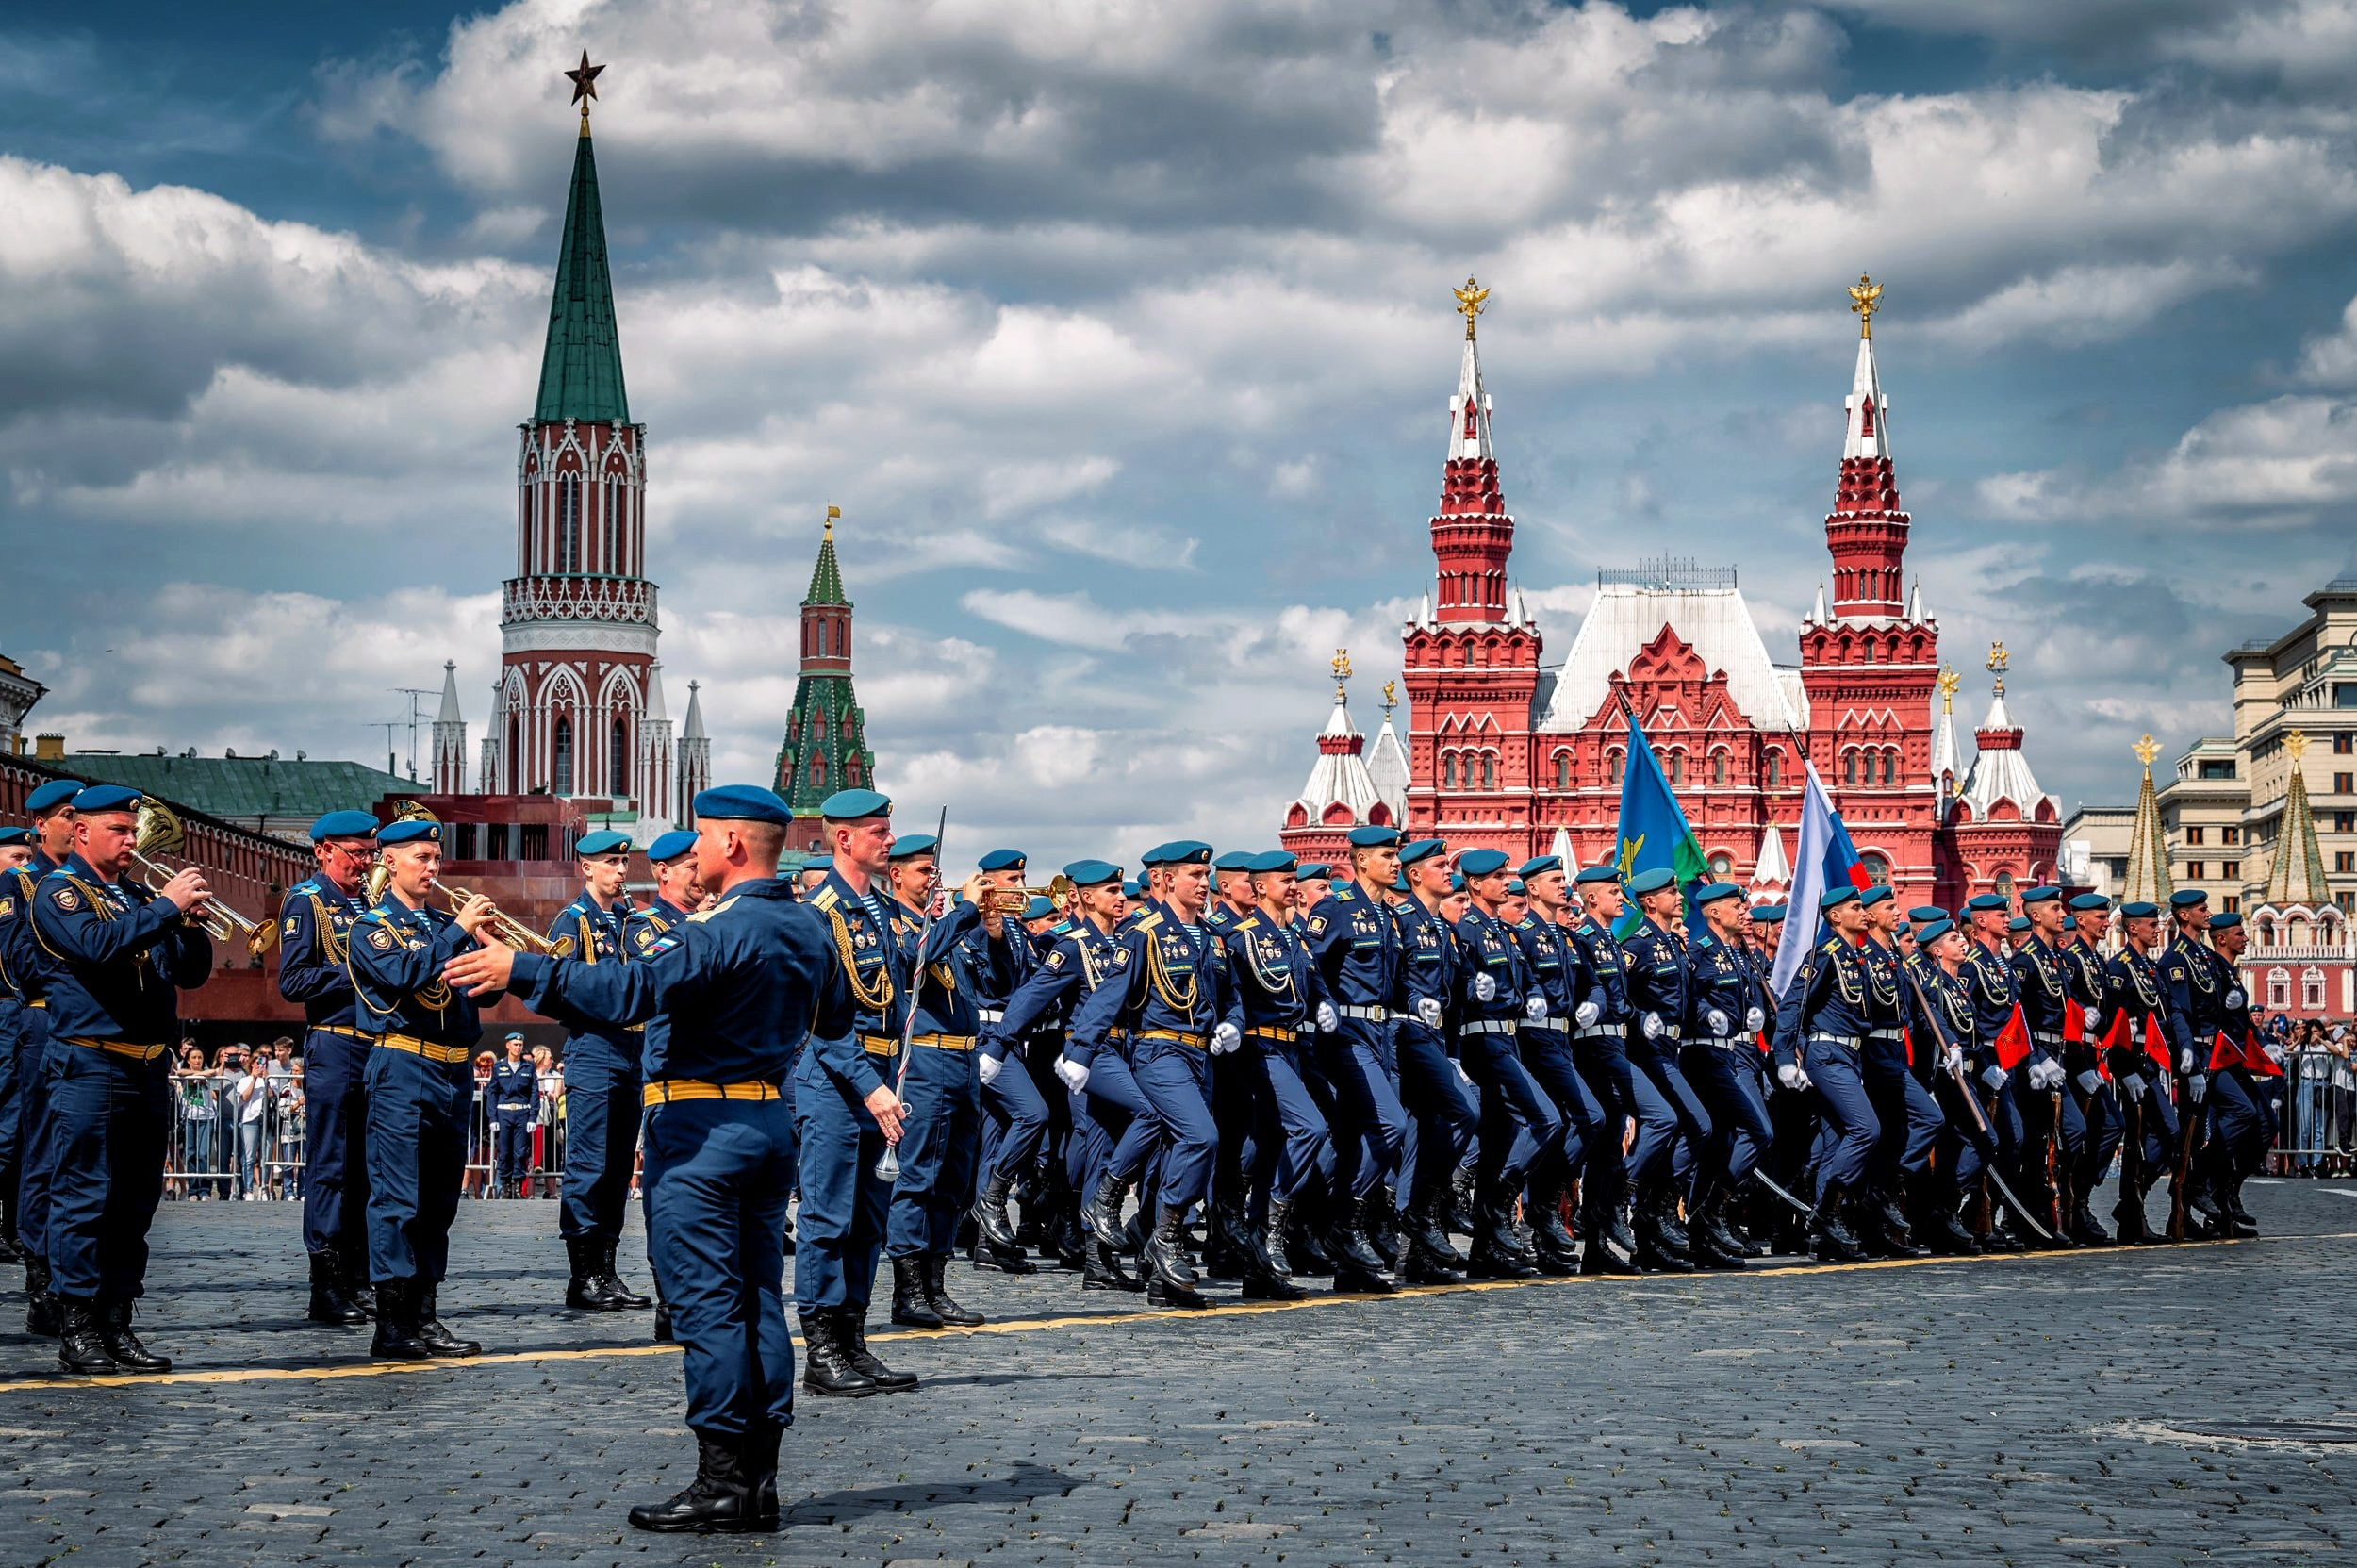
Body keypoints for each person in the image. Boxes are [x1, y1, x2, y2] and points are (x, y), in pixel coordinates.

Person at [448, 784, 852, 1535]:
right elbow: (835, 1016)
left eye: (700, 837)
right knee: (762, 1296)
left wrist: (523, 970)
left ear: (732, 842)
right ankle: (759, 1477)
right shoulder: (811, 927)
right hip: (768, 1118)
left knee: (706, 1304)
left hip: (700, 1128)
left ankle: (723, 1482)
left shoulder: (711, 929)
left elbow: (629, 988)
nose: (693, 852)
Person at [29, 784, 213, 1373]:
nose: (132, 840)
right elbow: (95, 947)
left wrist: (188, 925)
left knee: (136, 1200)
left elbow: (191, 973)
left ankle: (117, 1318)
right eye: (120, 830)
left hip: (145, 1062)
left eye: (134, 831)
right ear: (82, 831)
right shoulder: (60, 892)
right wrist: (164, 909)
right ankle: (77, 1323)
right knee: (85, 1196)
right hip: (90, 1062)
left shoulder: (136, 894)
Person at [347, 814, 498, 1360]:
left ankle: (425, 1314)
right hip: (402, 1067)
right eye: (421, 858)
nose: (433, 867)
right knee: (396, 1198)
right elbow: (403, 976)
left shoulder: (439, 925)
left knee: (438, 1201)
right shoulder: (370, 927)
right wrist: (459, 932)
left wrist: (485, 956)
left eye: (436, 859)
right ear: (389, 862)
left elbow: (473, 999)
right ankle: (391, 1324)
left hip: (452, 1069)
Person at [1068, 840, 1242, 1308]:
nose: (1203, 886)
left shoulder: (1211, 937)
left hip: (1200, 1057)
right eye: (1194, 877)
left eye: (1206, 878)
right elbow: (1110, 996)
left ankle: (1164, 1274)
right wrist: (1081, 1052)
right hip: (1158, 1052)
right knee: (1200, 1138)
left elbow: (1231, 998)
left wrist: (1233, 1023)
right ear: (1165, 880)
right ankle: (1137, 1218)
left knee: (1173, 1155)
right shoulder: (1143, 932)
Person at [793, 789, 919, 1395]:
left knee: (870, 1221)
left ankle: (853, 1340)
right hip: (838, 1086)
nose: (889, 840)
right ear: (843, 839)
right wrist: (870, 1088)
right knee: (827, 1217)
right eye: (878, 831)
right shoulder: (820, 915)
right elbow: (822, 1023)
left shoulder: (879, 912)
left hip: (882, 1084)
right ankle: (821, 1352)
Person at [989, 858, 1147, 1293]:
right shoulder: (1074, 945)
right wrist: (998, 1043)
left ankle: (1099, 1262)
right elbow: (1032, 995)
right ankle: (1048, 1203)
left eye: (1121, 892)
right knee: (1144, 1116)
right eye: (1111, 892)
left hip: (1125, 1048)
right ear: (1084, 896)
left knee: (1102, 1147)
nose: (1120, 899)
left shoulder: (1127, 940)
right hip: (1088, 1055)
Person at [883, 842, 1008, 1329]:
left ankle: (936, 1285)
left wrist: (994, 936)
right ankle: (909, 1290)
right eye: (922, 871)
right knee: (919, 1177)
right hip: (925, 1059)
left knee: (955, 1179)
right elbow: (916, 962)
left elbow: (999, 985)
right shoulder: (896, 923)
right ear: (896, 876)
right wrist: (964, 912)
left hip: (963, 1059)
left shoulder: (950, 927)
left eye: (936, 870)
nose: (933, 879)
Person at [1215, 850, 1331, 1301]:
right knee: (1310, 1128)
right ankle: (1269, 1233)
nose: (1293, 887)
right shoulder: (1242, 936)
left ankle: (1257, 1264)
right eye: (1285, 880)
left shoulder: (1297, 938)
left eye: (1294, 879)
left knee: (1270, 1150)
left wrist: (1326, 1005)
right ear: (1261, 887)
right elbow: (1234, 992)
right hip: (1259, 1049)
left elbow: (1316, 986)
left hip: (1292, 1047)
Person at [545, 829, 653, 1313]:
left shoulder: (629, 921)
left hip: (633, 1048)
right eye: (611, 862)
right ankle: (583, 1273)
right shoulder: (574, 921)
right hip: (594, 1047)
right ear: (586, 866)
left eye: (623, 862)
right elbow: (555, 990)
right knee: (588, 1165)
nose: (621, 870)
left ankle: (606, 1268)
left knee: (616, 1167)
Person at [5, 776, 81, 1325]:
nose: (76, 824)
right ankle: (42, 1278)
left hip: (95, 1030)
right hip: (44, 1023)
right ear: (41, 825)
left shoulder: (101, 884)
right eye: (66, 815)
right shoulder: (21, 886)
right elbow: (18, 965)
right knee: (43, 1151)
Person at [960, 842, 1055, 1277]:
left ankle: (987, 1241)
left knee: (996, 1137)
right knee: (1034, 1113)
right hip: (986, 1035)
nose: (1020, 886)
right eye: (1012, 880)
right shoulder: (976, 921)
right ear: (988, 884)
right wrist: (991, 931)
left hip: (1011, 1037)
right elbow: (994, 978)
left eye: (1021, 879)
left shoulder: (1016, 928)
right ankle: (993, 1201)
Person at [1771, 885, 1879, 1263]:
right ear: (1835, 916)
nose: (1864, 912)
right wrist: (1785, 1055)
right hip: (1828, 1054)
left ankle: (1830, 1235)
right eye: (1856, 907)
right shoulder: (1826, 954)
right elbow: (1792, 1004)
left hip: (1851, 1055)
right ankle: (1827, 1212)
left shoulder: (1856, 958)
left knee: (1836, 1144)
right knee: (1867, 1129)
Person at [1619, 867, 1713, 1273]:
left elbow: (1688, 1000)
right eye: (1670, 891)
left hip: (1672, 1049)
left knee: (1678, 1127)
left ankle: (1652, 1225)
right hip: (1648, 1052)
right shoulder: (1637, 945)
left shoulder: (1674, 945)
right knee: (1696, 1125)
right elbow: (1616, 995)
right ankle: (1636, 1197)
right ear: (1649, 901)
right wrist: (1640, 1018)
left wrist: (1709, 1015)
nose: (1679, 896)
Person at [1677, 883, 1772, 1270]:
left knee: (1722, 1141)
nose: (1744, 913)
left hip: (1730, 1053)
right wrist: (1705, 1013)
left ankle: (1703, 1226)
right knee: (1757, 1130)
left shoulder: (1737, 957)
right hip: (1702, 1054)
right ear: (1714, 913)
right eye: (1737, 906)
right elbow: (1689, 995)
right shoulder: (1699, 952)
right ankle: (1708, 1213)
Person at [490, 1034, 536, 1198]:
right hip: (504, 1112)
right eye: (515, 1044)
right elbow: (493, 1093)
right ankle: (505, 1186)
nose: (518, 1047)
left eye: (520, 1044)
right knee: (504, 1151)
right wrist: (493, 1118)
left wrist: (532, 1117)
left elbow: (533, 1093)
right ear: (508, 1045)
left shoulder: (528, 1067)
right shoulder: (498, 1067)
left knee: (520, 1151)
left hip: (522, 1112)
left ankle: (517, 1186)